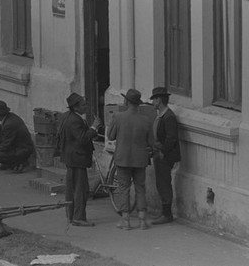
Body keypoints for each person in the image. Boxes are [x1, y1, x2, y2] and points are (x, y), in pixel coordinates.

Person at [107, 89, 153, 230]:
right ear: (138, 103)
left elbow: (110, 136)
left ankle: (125, 221)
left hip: (123, 159)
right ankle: (142, 220)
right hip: (140, 159)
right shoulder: (146, 120)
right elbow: (151, 141)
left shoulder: (118, 117)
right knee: (140, 188)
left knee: (123, 188)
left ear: (126, 101)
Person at [57, 92, 101, 227]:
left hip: (70, 157)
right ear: (75, 107)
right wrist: (94, 127)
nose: (86, 107)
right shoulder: (75, 120)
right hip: (77, 158)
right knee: (81, 189)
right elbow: (82, 138)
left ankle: (71, 215)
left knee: (71, 188)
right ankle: (79, 217)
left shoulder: (67, 117)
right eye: (83, 104)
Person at [150, 87, 181, 225]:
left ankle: (167, 214)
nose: (153, 102)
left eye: (154, 99)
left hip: (164, 155)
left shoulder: (168, 117)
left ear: (159, 100)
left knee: (164, 184)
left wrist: (162, 151)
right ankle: (164, 211)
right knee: (161, 183)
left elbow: (171, 138)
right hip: (160, 153)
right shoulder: (162, 115)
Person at [0, 100, 34, 172]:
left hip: (22, 150)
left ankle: (19, 162)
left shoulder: (9, 124)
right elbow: (1, 127)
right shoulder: (10, 117)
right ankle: (8, 164)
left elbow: (5, 146)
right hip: (19, 146)